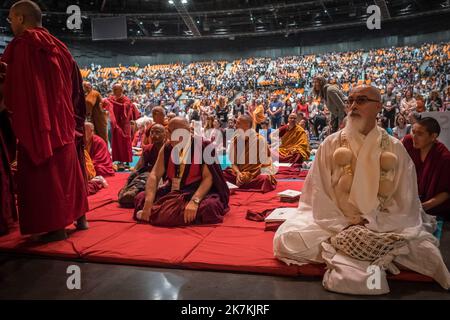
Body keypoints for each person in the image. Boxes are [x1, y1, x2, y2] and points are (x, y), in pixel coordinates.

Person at [273, 85, 450, 294]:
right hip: (336, 221)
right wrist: (343, 225)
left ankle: (366, 249)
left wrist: (376, 222)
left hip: (384, 222)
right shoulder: (330, 144)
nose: (354, 106)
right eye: (350, 101)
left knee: (426, 251)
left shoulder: (394, 147)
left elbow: (405, 197)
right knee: (286, 240)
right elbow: (317, 192)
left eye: (362, 100)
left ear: (379, 108)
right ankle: (361, 249)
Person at [1, 0, 88, 242]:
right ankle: (81, 218)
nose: (10, 24)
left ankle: (55, 227)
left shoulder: (20, 47)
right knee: (69, 172)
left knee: (45, 178)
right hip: (64, 123)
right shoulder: (61, 47)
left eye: (10, 19)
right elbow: (76, 88)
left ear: (20, 18)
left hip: (37, 125)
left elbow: (9, 88)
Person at [134, 117, 230, 226]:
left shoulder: (204, 146)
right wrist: (148, 203)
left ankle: (158, 213)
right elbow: (155, 174)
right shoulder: (167, 148)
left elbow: (208, 178)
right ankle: (161, 212)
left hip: (195, 191)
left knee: (209, 207)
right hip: (172, 190)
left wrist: (194, 201)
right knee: (141, 198)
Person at [403, 117, 450, 220]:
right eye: (413, 132)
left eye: (419, 134)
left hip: (433, 210)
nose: (414, 137)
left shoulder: (444, 157)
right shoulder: (408, 142)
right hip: (408, 201)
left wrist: (422, 207)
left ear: (433, 137)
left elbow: (446, 192)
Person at [222, 114, 277, 192]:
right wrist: (238, 173)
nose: (235, 125)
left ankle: (241, 183)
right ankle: (241, 182)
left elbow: (264, 164)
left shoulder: (260, 140)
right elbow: (233, 163)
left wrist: (248, 176)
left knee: (265, 179)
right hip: (240, 173)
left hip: (255, 174)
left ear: (246, 125)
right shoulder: (235, 139)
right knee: (223, 174)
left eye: (238, 123)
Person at [118, 124, 166, 208]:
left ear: (165, 134)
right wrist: (127, 183)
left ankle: (135, 194)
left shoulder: (169, 148)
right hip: (148, 175)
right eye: (152, 132)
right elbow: (138, 167)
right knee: (142, 177)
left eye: (158, 132)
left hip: (163, 176)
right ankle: (131, 191)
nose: (154, 135)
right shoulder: (148, 149)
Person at [106, 83, 139, 170]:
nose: (114, 91)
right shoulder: (111, 98)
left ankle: (127, 161)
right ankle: (119, 161)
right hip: (114, 123)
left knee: (125, 141)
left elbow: (124, 108)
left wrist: (112, 102)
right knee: (116, 142)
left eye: (116, 89)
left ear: (121, 90)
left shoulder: (126, 100)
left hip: (124, 124)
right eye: (113, 89)